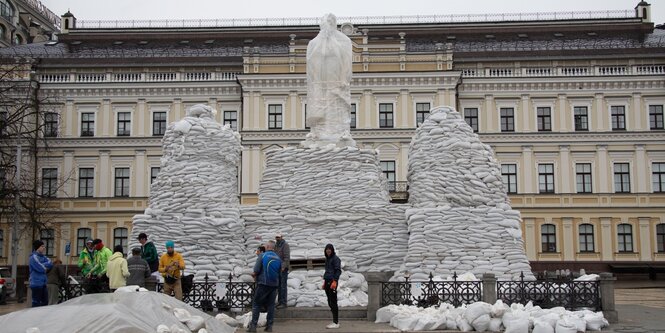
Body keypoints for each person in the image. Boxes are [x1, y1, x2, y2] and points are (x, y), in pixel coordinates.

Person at [247, 241, 281, 333]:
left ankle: (253, 326)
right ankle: (269, 326)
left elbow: (257, 269)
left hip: (263, 284)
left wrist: (254, 275)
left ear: (268, 246)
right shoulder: (278, 258)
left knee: (256, 304)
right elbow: (280, 272)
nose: (264, 246)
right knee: (271, 305)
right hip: (274, 285)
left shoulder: (263, 256)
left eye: (265, 245)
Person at [29, 240, 53, 307]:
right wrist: (45, 267)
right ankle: (34, 316)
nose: (44, 248)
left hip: (43, 283)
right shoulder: (33, 257)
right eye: (42, 246)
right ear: (37, 247)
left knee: (45, 302)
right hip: (36, 283)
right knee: (36, 303)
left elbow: (50, 263)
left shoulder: (44, 257)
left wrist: (43, 265)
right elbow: (39, 267)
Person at [323, 243, 341, 329]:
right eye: (327, 249)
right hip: (327, 281)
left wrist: (335, 281)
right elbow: (327, 271)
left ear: (332, 250)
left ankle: (336, 322)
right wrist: (324, 281)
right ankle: (334, 320)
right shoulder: (327, 259)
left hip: (332, 281)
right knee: (330, 302)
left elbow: (338, 271)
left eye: (330, 249)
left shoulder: (336, 259)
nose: (328, 250)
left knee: (333, 302)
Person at [274, 233, 290, 309]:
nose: (277, 238)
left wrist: (283, 267)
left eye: (278, 237)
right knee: (279, 286)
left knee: (283, 286)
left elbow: (287, 257)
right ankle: (280, 301)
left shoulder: (285, 245)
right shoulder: (276, 245)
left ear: (281, 237)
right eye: (276, 237)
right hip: (277, 268)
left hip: (283, 269)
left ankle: (283, 302)